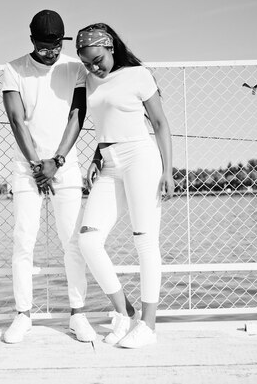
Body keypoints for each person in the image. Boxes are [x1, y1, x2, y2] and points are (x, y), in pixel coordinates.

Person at [75, 23, 174, 349]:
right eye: (87, 61)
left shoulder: (138, 75)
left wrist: (168, 171)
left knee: (144, 241)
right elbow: (105, 122)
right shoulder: (89, 80)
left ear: (111, 47)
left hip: (141, 159)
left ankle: (148, 325)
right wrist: (94, 156)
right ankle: (124, 311)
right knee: (88, 240)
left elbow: (159, 123)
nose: (93, 66)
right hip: (109, 164)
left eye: (97, 59)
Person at [1, 9, 96, 344]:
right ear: (32, 42)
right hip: (26, 168)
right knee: (23, 240)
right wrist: (36, 164)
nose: (51, 52)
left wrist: (56, 160)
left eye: (55, 45)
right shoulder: (13, 69)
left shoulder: (74, 67)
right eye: (43, 47)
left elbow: (77, 114)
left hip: (64, 164)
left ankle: (78, 314)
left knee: (73, 241)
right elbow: (15, 120)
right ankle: (23, 315)